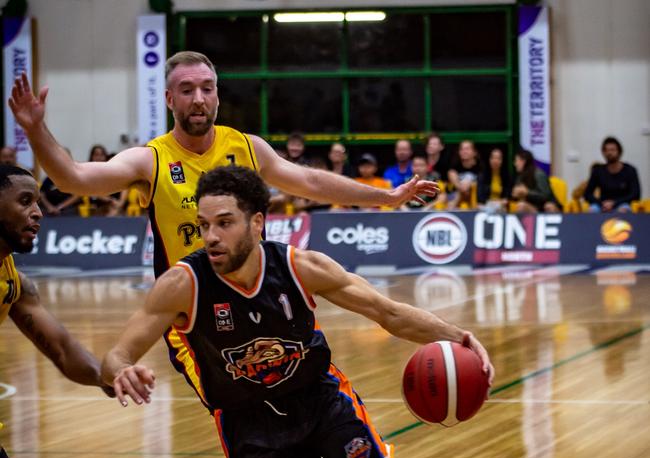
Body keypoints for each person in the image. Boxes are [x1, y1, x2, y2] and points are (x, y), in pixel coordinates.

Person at [101, 166, 494, 458]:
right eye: (204, 225)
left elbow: (387, 312)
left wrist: (458, 337)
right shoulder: (183, 284)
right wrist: (121, 369)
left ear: (257, 223)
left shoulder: (300, 267)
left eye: (224, 223)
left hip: (319, 398)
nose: (211, 237)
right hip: (248, 423)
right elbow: (117, 355)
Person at [9, 51, 437, 277]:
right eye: (187, 89)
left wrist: (386, 197)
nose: (198, 98)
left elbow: (309, 180)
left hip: (256, 289)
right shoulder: (149, 158)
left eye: (207, 88)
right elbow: (74, 178)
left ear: (217, 96)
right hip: (191, 306)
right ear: (169, 99)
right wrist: (35, 130)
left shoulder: (247, 146)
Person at [0, 165, 113, 458]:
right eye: (24, 202)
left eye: (37, 202)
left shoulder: (12, 280)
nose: (37, 213)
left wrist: (107, 377)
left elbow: (62, 349)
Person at [584, 136, 641, 213]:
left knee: (624, 209)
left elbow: (635, 194)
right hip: (602, 205)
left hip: (622, 203)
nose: (609, 153)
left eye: (612, 150)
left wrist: (614, 203)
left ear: (619, 151)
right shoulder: (598, 171)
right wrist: (601, 203)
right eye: (606, 150)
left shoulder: (630, 170)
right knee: (592, 210)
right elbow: (587, 194)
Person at [447, 140, 482, 210]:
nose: (464, 151)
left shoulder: (480, 167)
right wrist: (461, 187)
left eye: (467, 149)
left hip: (474, 199)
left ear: (474, 152)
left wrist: (469, 184)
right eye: (462, 149)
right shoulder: (454, 166)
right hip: (456, 197)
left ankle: (449, 210)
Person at [477, 148, 512, 212]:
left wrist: (500, 202)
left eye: (498, 158)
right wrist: (490, 203)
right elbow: (480, 197)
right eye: (493, 158)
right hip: (486, 204)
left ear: (502, 161)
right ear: (489, 160)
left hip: (500, 205)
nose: (495, 161)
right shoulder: (482, 176)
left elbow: (507, 196)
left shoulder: (507, 176)